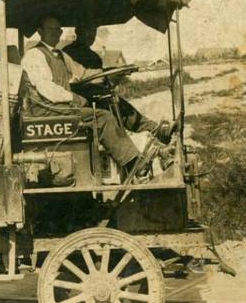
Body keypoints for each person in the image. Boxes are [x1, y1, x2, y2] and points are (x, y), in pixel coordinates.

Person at [20, 16, 161, 180]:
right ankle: (134, 164)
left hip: (59, 108)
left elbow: (81, 75)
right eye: (51, 30)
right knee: (102, 117)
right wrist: (74, 97)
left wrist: (115, 72)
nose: (56, 34)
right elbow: (46, 89)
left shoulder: (60, 55)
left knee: (107, 102)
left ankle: (149, 136)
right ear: (40, 31)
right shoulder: (34, 55)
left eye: (58, 30)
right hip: (47, 111)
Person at [63, 25, 173, 143]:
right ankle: (153, 130)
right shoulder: (68, 53)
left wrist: (118, 71)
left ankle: (152, 130)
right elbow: (82, 78)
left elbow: (97, 75)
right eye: (87, 32)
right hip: (79, 97)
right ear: (78, 32)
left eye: (93, 33)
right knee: (115, 103)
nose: (91, 36)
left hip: (93, 93)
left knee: (115, 101)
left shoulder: (92, 55)